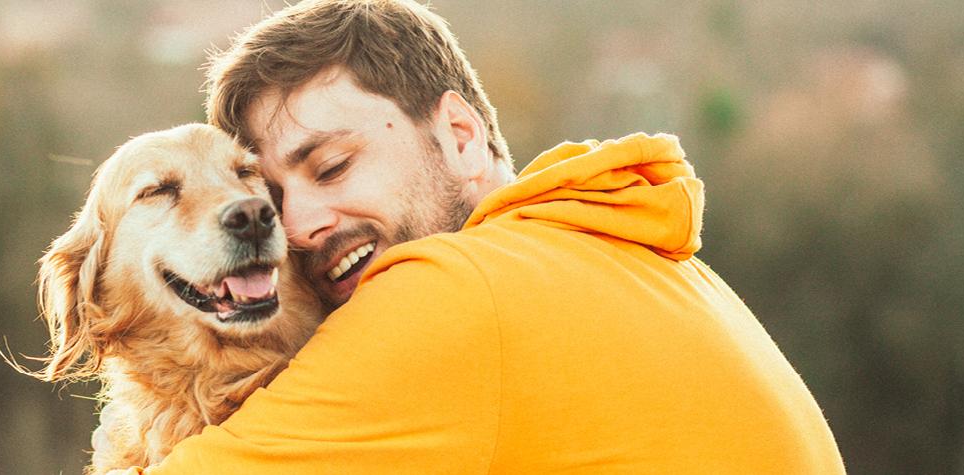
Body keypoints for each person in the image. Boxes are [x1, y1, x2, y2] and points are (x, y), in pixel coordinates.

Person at [115, 0, 845, 472]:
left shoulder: (455, 292)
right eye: (275, 197)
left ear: (461, 136)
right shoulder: (623, 255)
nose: (297, 228)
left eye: (333, 165)